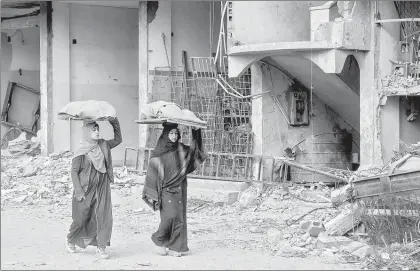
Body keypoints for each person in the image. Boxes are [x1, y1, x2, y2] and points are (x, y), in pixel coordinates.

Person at [142, 122, 207, 257]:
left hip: (180, 187)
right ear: (165, 134)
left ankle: (175, 247)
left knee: (179, 218)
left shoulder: (181, 149)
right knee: (169, 217)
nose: (174, 136)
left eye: (176, 133)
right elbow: (153, 172)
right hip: (165, 189)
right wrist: (154, 192)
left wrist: (196, 133)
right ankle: (160, 240)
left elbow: (196, 153)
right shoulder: (158, 152)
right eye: (171, 133)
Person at [65, 117, 122, 259]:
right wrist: (78, 190)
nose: (97, 132)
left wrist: (114, 122)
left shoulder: (103, 145)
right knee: (81, 217)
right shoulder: (81, 151)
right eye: (93, 130)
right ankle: (71, 239)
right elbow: (74, 172)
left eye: (98, 129)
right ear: (86, 132)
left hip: (102, 186)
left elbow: (118, 139)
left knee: (104, 216)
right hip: (85, 188)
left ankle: (101, 247)